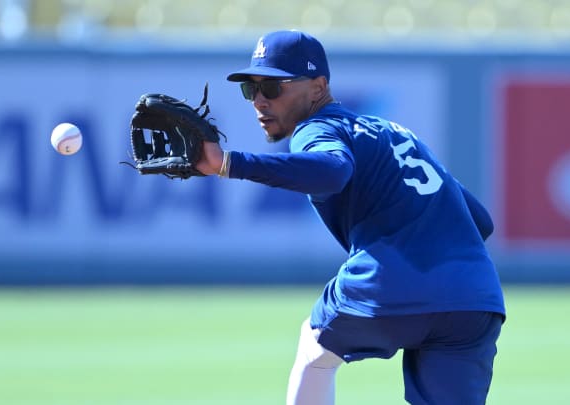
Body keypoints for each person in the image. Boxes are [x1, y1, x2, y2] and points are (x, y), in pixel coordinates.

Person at [194, 30, 506, 405]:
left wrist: (227, 163)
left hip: (390, 283)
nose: (260, 101)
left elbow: (331, 171)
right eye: (251, 90)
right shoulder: (392, 132)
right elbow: (481, 221)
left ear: (318, 86)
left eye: (273, 87)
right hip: (475, 298)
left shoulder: (318, 128)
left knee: (314, 346)